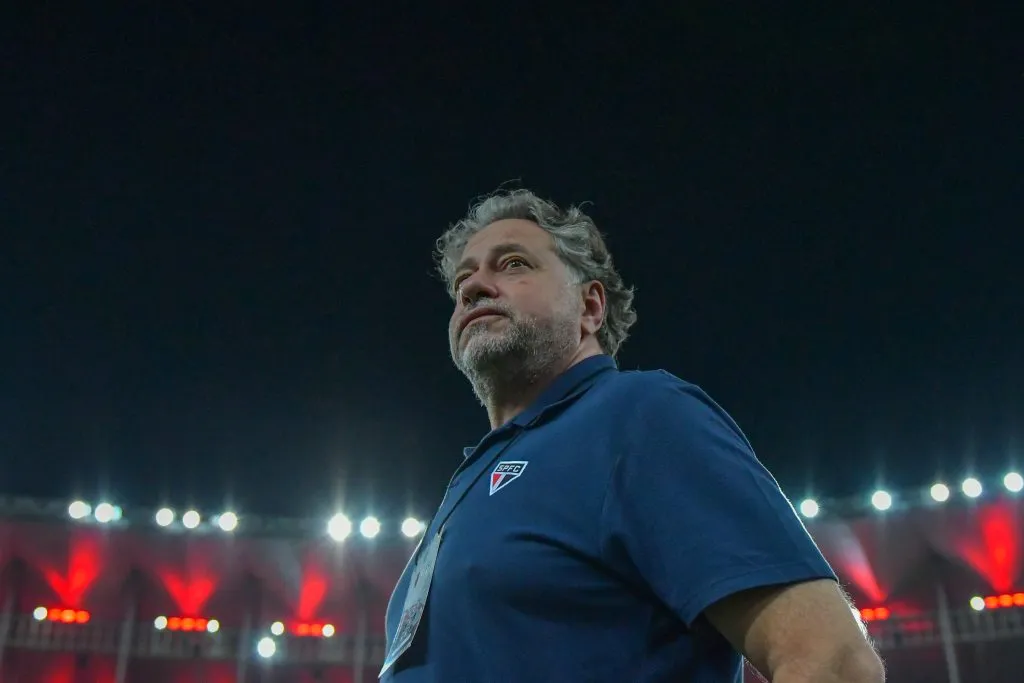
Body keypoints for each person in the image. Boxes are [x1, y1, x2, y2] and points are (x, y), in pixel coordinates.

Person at [380, 189, 886, 682]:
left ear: (590, 307)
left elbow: (835, 662)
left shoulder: (638, 417)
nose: (473, 287)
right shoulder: (468, 483)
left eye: (512, 264)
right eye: (463, 280)